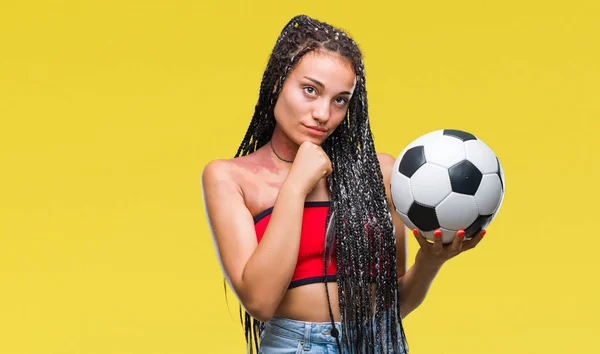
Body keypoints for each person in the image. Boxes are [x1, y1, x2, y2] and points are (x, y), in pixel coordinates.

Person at [201, 14, 485, 354]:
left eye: (340, 100)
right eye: (310, 90)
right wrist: (296, 185)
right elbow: (259, 302)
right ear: (278, 81)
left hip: (381, 343)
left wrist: (430, 261)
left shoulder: (380, 174)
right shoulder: (229, 177)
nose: (324, 114)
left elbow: (394, 307)